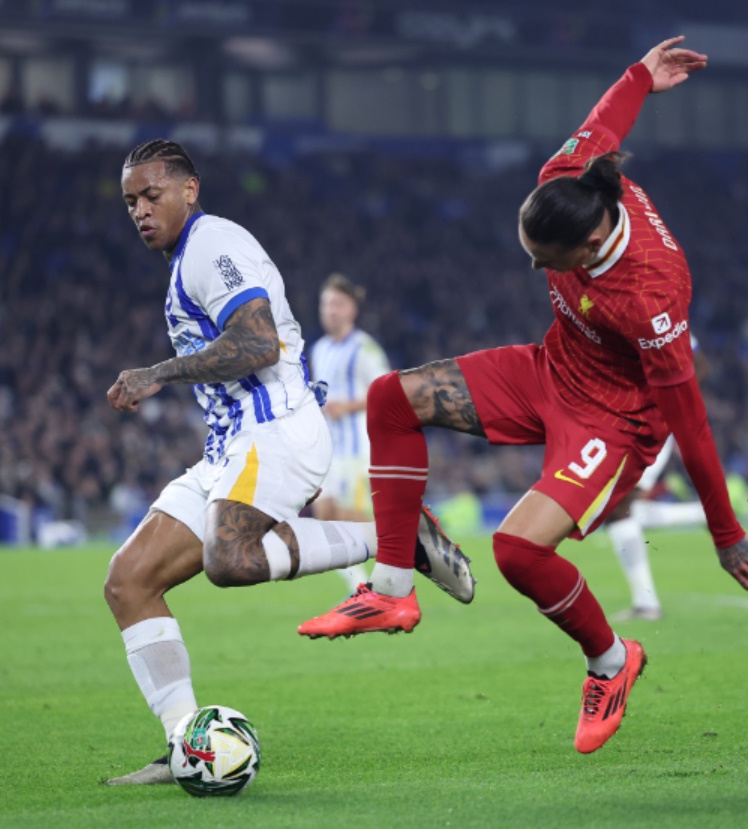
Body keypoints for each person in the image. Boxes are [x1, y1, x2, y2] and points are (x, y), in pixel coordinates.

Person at [298, 38, 748, 755]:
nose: (531, 265)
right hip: (549, 368)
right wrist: (641, 75)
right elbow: (606, 119)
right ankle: (393, 586)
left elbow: (691, 421)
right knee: (392, 397)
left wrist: (725, 529)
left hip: (612, 420)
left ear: (586, 250)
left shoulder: (651, 294)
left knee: (517, 550)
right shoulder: (569, 177)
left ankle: (613, 660)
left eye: (541, 260)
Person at [102, 140, 475, 785]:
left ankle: (399, 537)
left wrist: (157, 374)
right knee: (129, 580)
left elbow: (257, 341)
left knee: (230, 560)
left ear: (190, 190)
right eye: (130, 200)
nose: (140, 209)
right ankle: (185, 743)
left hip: (273, 431)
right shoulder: (186, 259)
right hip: (229, 448)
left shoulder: (212, 244)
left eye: (152, 194)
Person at [604, 335, 706, 622]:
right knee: (616, 510)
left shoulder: (662, 322)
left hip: (654, 426)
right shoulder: (616, 320)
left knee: (618, 505)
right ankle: (699, 514)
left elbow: (700, 363)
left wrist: (677, 402)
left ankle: (646, 604)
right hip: (626, 423)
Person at [309, 273, 392, 594]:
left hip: (359, 448)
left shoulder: (365, 348)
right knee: (324, 513)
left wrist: (349, 406)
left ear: (351, 310)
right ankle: (359, 583)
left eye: (337, 304)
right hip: (329, 447)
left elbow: (387, 392)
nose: (331, 310)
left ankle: (385, 577)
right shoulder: (319, 349)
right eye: (326, 303)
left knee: (351, 518)